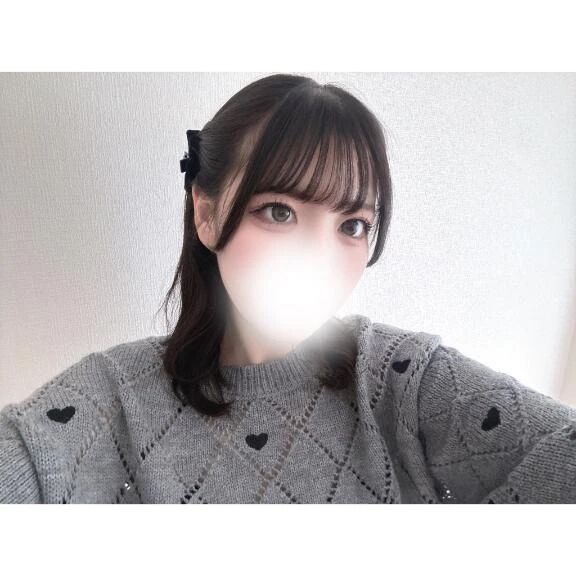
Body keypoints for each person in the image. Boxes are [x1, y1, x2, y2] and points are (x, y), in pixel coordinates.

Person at [1, 73, 575, 504]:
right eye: (279, 211)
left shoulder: (405, 382)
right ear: (206, 213)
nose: (318, 260)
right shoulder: (110, 403)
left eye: (352, 226)